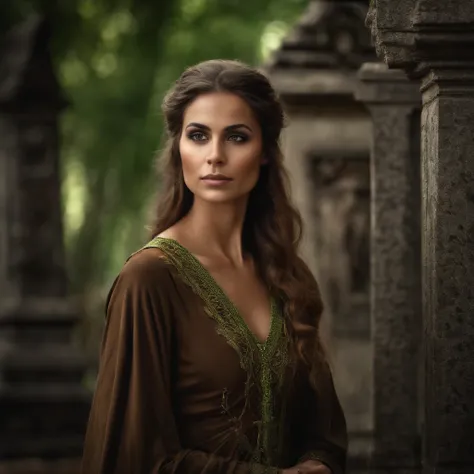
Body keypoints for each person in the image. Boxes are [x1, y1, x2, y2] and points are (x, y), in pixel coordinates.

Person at [81, 59, 347, 474]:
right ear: (179, 148)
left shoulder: (289, 276)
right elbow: (134, 456)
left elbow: (324, 430)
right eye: (198, 136)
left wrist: (319, 463)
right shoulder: (149, 280)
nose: (215, 156)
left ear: (264, 153)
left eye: (237, 137)